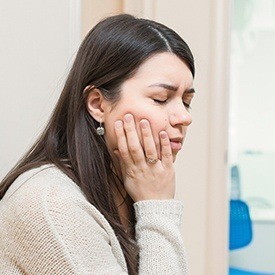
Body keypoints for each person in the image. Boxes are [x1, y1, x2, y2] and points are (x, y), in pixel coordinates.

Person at [0, 13, 195, 274]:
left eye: (186, 101)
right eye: (161, 98)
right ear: (97, 104)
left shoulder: (126, 190)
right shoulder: (51, 204)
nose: (184, 117)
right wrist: (158, 207)